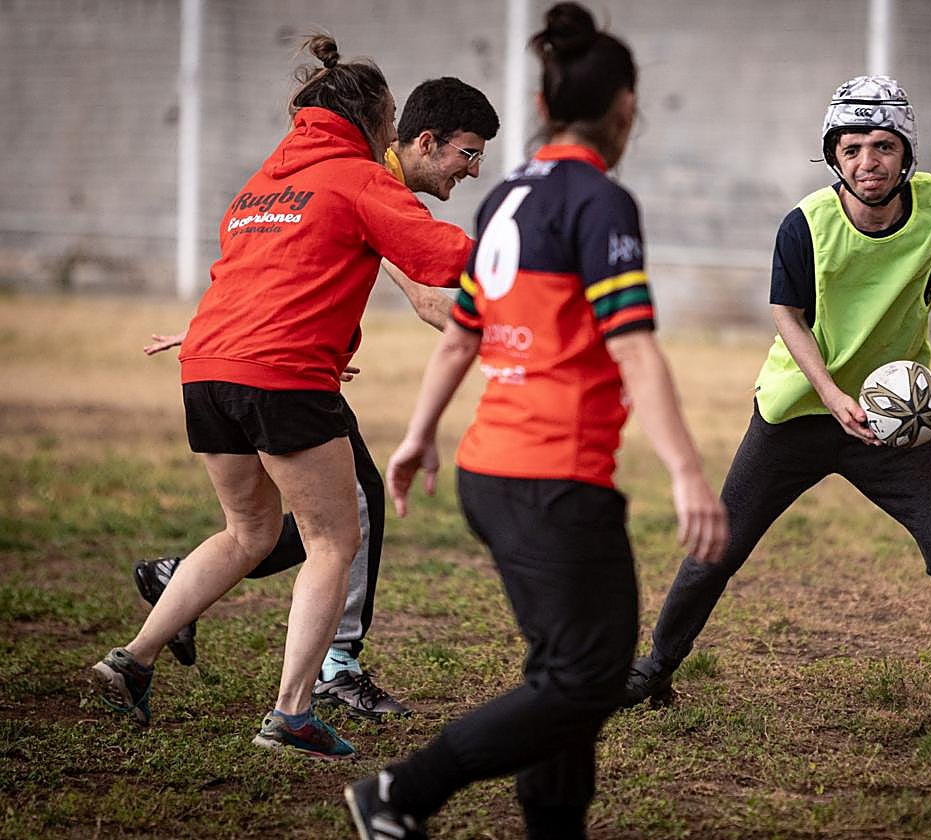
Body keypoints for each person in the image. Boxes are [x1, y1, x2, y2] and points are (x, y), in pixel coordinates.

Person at [343, 4, 728, 837]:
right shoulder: (600, 202)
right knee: (588, 677)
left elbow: (462, 338)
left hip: (493, 472)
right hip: (552, 479)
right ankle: (400, 793)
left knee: (566, 669)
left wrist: (418, 435)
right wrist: (690, 473)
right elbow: (633, 351)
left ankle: (554, 828)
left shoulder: (508, 194)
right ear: (624, 108)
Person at [89, 35, 486, 759]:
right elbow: (441, 258)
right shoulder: (360, 177)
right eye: (389, 117)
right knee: (335, 538)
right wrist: (528, 249)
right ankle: (294, 713)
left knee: (250, 533)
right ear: (369, 119)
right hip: (280, 375)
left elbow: (255, 274)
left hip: (208, 368)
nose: (392, 133)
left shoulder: (263, 184)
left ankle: (132, 659)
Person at [621, 75, 931, 727]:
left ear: (907, 152)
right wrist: (829, 391)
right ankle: (653, 670)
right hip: (797, 412)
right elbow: (785, 314)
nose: (867, 162)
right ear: (834, 156)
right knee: (721, 546)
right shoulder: (807, 223)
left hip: (889, 417)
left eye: (883, 146)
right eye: (851, 148)